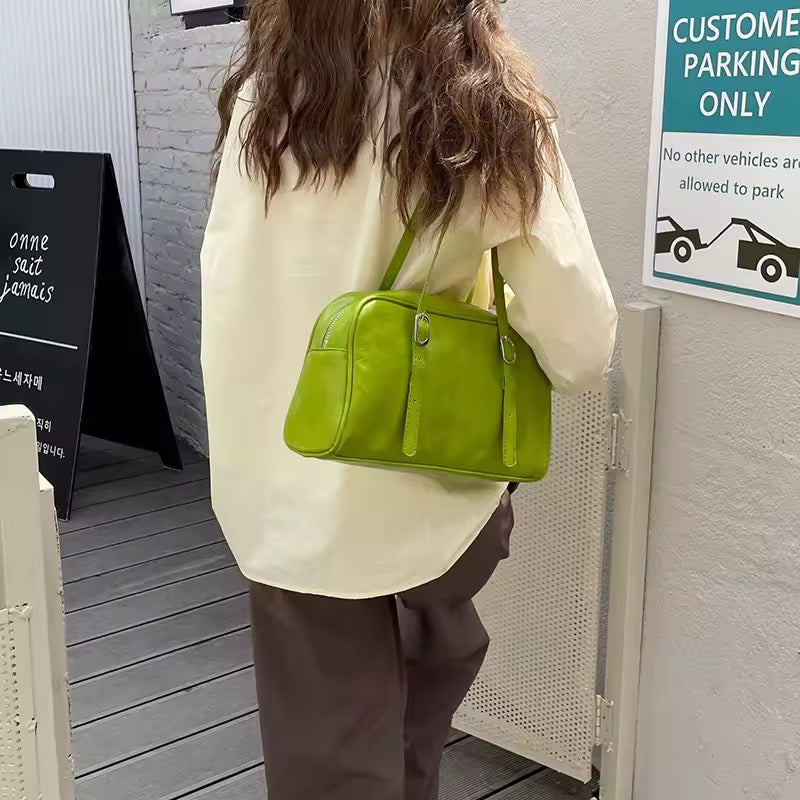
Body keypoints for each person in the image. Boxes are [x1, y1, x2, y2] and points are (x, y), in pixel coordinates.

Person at [201, 1, 617, 798]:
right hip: (431, 498)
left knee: (336, 760)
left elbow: (228, 294)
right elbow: (581, 347)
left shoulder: (266, 96)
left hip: (282, 506)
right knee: (408, 735)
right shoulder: (481, 101)